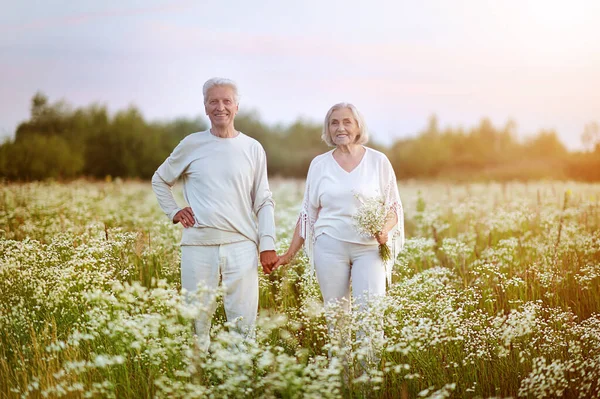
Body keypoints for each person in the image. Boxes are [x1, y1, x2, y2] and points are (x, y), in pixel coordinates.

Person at [152, 77, 278, 350]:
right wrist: (174, 211)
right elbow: (160, 180)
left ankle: (240, 382)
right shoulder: (191, 144)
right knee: (196, 321)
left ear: (237, 106)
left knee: (243, 324)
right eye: (213, 102)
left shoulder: (253, 148)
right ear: (205, 107)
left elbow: (264, 200)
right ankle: (197, 379)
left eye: (226, 101)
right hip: (198, 244)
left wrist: (267, 244)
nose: (220, 107)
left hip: (242, 245)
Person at [274, 102, 404, 347]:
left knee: (371, 316)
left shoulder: (378, 161)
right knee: (337, 319)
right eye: (334, 122)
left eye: (347, 122)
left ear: (357, 127)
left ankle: (368, 382)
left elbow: (394, 207)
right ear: (328, 129)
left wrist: (385, 231)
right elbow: (307, 214)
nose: (340, 127)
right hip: (330, 247)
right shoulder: (319, 164)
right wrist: (290, 254)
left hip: (369, 249)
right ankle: (341, 380)